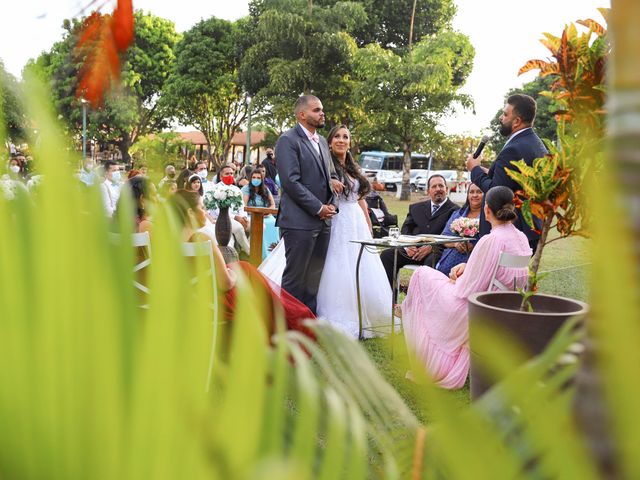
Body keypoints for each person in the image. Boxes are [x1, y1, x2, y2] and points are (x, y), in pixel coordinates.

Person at [400, 186, 531, 389]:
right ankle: (410, 311)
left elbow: (468, 289)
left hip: (476, 305)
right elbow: (496, 272)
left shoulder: (492, 239)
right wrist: (466, 266)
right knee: (430, 278)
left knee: (421, 275)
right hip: (506, 302)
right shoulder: (521, 237)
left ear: (487, 210)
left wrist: (455, 279)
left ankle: (425, 353)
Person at [169, 190, 316, 338]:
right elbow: (225, 284)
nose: (205, 212)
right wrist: (232, 275)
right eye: (202, 207)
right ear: (190, 212)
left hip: (188, 298)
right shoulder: (201, 239)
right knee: (247, 274)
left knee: (245, 269)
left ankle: (290, 319)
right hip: (211, 301)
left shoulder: (169, 240)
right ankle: (295, 321)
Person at [316, 125, 392, 337]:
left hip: (356, 221)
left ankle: (368, 313)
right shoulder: (325, 165)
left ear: (350, 142)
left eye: (346, 137)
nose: (341, 140)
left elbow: (360, 200)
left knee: (361, 265)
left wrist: (367, 223)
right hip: (337, 219)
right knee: (339, 264)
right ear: (330, 142)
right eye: (337, 136)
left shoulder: (353, 167)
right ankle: (341, 313)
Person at [274, 94, 337, 314]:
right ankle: (286, 328)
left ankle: (306, 324)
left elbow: (329, 177)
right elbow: (291, 182)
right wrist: (318, 208)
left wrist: (331, 205)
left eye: (322, 110)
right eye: (316, 110)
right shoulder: (287, 140)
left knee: (313, 279)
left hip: (323, 223)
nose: (322, 114)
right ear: (302, 114)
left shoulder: (321, 141)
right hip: (299, 222)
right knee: (295, 279)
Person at [465, 93, 548, 252]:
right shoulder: (536, 144)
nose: (500, 118)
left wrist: (475, 169)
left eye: (505, 114)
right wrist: (488, 172)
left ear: (517, 121)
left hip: (510, 234)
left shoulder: (513, 149)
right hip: (530, 231)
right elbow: (513, 181)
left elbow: (496, 191)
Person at [380, 174, 458, 286]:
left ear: (446, 189)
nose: (438, 189)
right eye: (434, 186)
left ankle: (422, 300)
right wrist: (407, 246)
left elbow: (450, 236)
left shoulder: (455, 210)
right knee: (387, 255)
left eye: (441, 186)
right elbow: (406, 228)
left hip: (435, 252)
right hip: (412, 251)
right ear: (428, 191)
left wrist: (432, 246)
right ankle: (390, 296)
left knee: (430, 264)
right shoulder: (416, 208)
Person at [435, 183, 483, 276]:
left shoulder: (488, 216)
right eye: (471, 192)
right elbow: (444, 238)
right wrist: (455, 244)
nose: (475, 195)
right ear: (467, 195)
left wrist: (473, 247)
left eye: (479, 192)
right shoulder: (457, 214)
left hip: (474, 260)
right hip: (451, 258)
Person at [242, 168, 278, 259]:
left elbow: (273, 204)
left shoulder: (265, 189)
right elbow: (244, 206)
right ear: (250, 178)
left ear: (262, 179)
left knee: (274, 223)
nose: (256, 179)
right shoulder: (246, 189)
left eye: (258, 178)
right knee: (262, 225)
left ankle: (273, 254)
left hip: (266, 215)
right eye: (254, 177)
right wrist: (257, 212)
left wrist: (268, 211)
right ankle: (261, 254)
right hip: (252, 215)